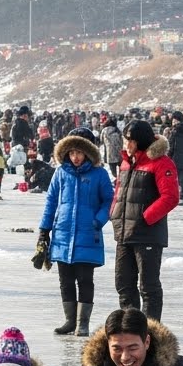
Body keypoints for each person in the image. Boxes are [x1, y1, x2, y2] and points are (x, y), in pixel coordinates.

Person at [38, 128, 114, 336]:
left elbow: (109, 200)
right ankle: (70, 321)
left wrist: (97, 221)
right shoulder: (61, 173)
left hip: (88, 234)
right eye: (71, 153)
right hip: (62, 234)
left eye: (79, 153)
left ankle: (83, 322)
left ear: (88, 153)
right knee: (65, 280)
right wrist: (44, 230)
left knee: (85, 279)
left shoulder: (99, 174)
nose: (75, 157)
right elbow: (51, 201)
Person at [111, 120, 179, 321]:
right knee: (123, 283)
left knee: (148, 286)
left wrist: (145, 218)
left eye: (130, 140)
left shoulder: (161, 162)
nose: (127, 145)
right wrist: (113, 213)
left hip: (147, 233)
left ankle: (150, 332)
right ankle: (130, 328)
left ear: (140, 141)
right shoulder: (126, 162)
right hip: (124, 232)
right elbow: (119, 191)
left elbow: (170, 197)